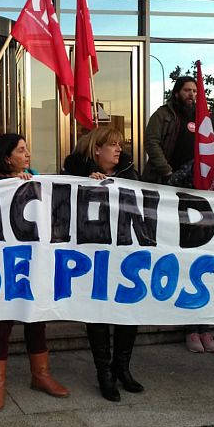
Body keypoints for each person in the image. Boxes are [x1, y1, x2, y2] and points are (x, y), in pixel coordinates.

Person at [0, 133, 70, 412]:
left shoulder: (38, 180)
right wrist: (11, 187)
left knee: (36, 318)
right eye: (21, 150)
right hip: (2, 264)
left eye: (27, 149)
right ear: (7, 158)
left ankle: (40, 375)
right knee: (1, 322)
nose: (27, 154)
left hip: (33, 262)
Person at [63, 128, 145, 402]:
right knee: (98, 311)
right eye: (112, 145)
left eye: (120, 145)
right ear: (97, 150)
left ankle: (122, 367)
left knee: (128, 310)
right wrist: (86, 184)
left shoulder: (130, 173)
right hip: (93, 253)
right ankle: (104, 373)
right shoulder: (76, 174)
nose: (119, 149)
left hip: (125, 253)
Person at [141, 76, 214, 354]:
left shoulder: (205, 117)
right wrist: (168, 173)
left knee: (195, 251)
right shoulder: (163, 115)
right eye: (187, 90)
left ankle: (201, 324)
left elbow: (213, 147)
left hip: (198, 192)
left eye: (195, 91)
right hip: (166, 186)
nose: (192, 94)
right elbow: (151, 142)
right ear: (176, 93)